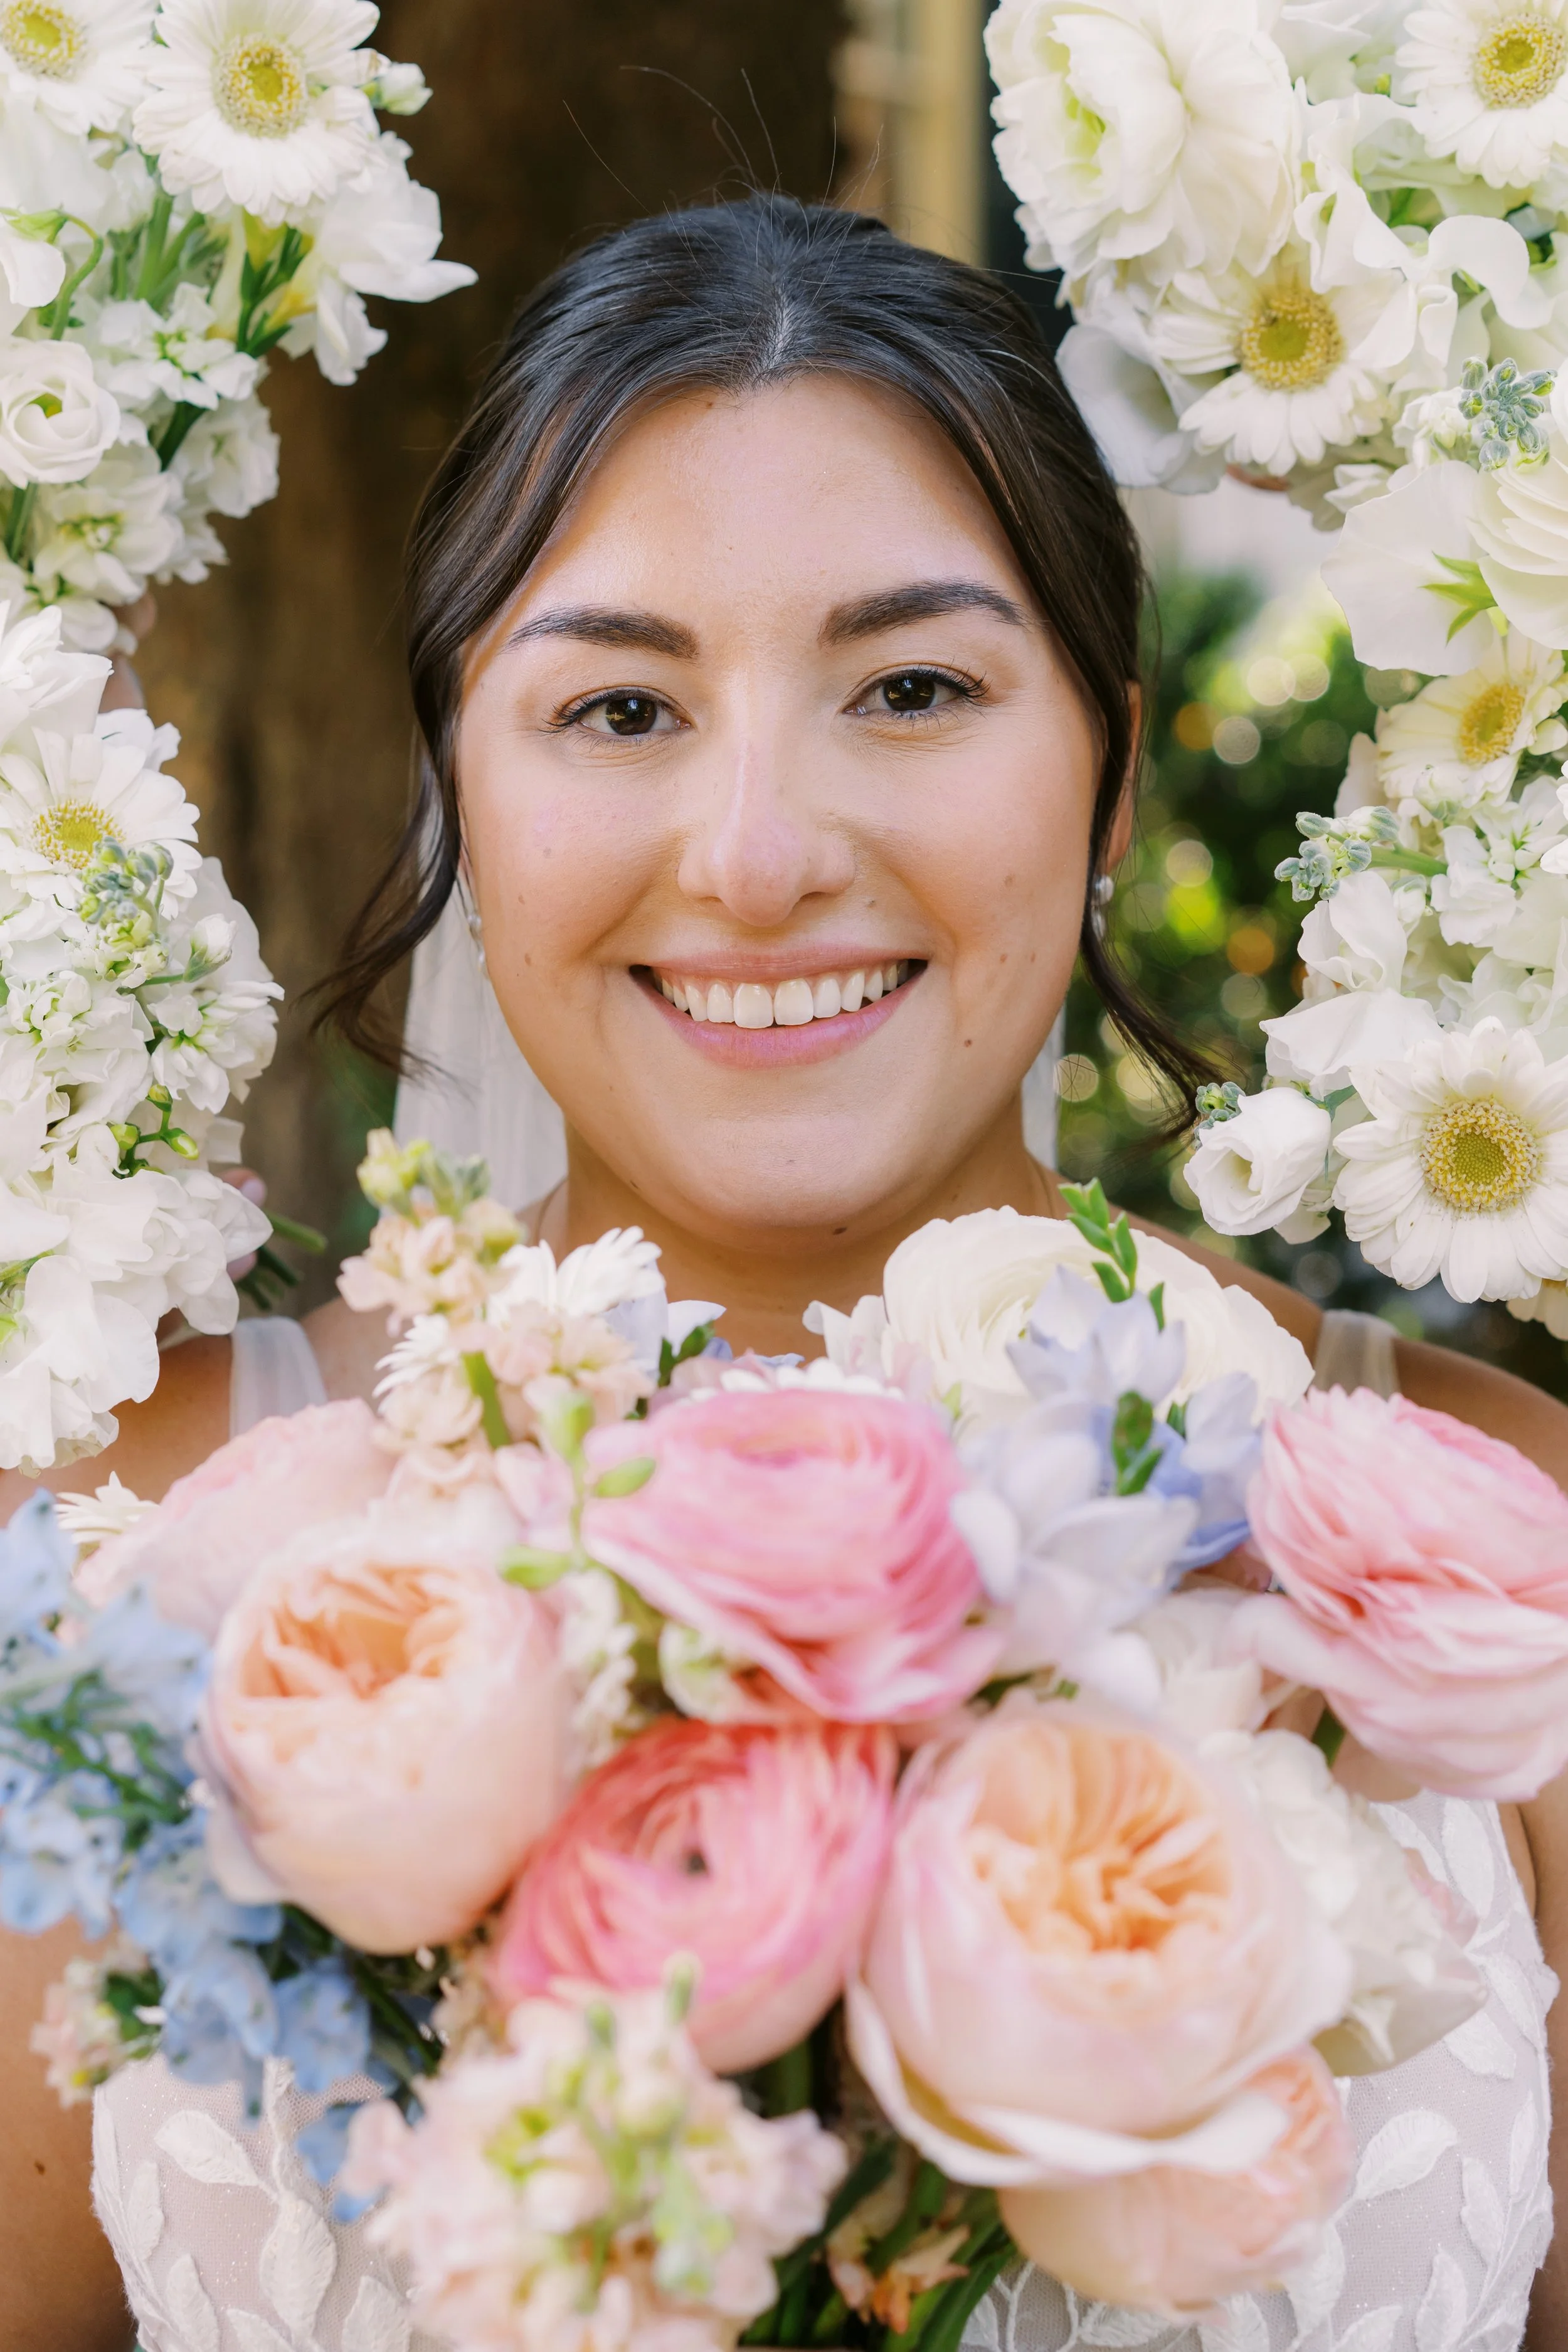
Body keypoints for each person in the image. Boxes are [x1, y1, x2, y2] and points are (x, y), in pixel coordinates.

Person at [3, 194, 1565, 2352]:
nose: (754, 853)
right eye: (620, 710)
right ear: (460, 768)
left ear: (1107, 774)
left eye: (911, 686)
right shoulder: (121, 1545)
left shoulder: (1495, 1552)